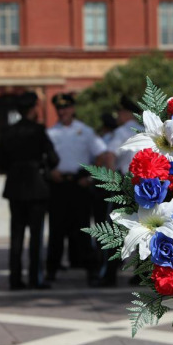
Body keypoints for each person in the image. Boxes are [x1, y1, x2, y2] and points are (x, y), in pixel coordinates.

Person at [0, 92, 59, 290]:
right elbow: (53, 158)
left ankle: (15, 279)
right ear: (32, 109)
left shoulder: (7, 132)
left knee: (16, 236)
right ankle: (35, 278)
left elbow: (0, 162)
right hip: (36, 186)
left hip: (15, 187)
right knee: (36, 236)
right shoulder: (38, 131)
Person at [46, 92, 107, 284]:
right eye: (59, 108)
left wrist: (90, 177)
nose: (62, 111)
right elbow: (45, 160)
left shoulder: (85, 131)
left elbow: (102, 154)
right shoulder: (50, 133)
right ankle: (51, 270)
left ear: (72, 109)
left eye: (65, 108)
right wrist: (49, 172)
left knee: (83, 230)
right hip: (58, 185)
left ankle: (92, 271)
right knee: (56, 230)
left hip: (79, 185)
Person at [104, 96, 145, 286]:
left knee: (117, 231)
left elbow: (110, 155)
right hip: (147, 187)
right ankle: (142, 273)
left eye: (119, 113)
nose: (117, 116)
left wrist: (110, 180)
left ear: (125, 113)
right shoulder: (145, 130)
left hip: (125, 185)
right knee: (143, 231)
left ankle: (109, 274)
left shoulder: (121, 132)